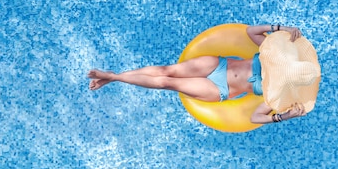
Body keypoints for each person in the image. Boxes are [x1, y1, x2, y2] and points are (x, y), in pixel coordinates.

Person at [88, 24, 320, 125]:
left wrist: (284, 117)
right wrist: (282, 28)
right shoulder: (273, 53)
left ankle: (114, 77)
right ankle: (112, 76)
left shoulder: (277, 95)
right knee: (167, 70)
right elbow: (252, 31)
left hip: (221, 90)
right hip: (218, 65)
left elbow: (255, 118)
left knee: (165, 82)